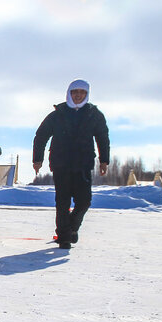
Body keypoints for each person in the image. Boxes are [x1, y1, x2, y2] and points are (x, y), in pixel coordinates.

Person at [31, 80, 110, 248]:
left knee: (84, 201)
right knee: (63, 202)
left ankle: (71, 228)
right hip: (61, 163)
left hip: (83, 163)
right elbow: (41, 136)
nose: (78, 95)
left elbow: (103, 138)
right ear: (69, 93)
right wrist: (37, 159)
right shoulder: (58, 114)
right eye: (75, 92)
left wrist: (104, 160)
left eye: (82, 92)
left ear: (87, 94)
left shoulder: (94, 114)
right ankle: (65, 237)